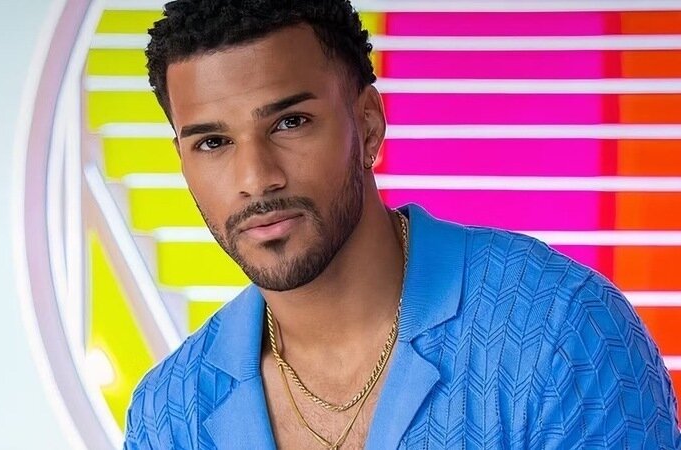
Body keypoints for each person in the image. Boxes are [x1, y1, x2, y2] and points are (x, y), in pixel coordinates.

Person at [123, 1, 681, 448]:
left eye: (290, 122)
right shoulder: (169, 413)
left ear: (368, 124)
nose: (255, 178)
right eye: (213, 142)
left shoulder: (560, 333)